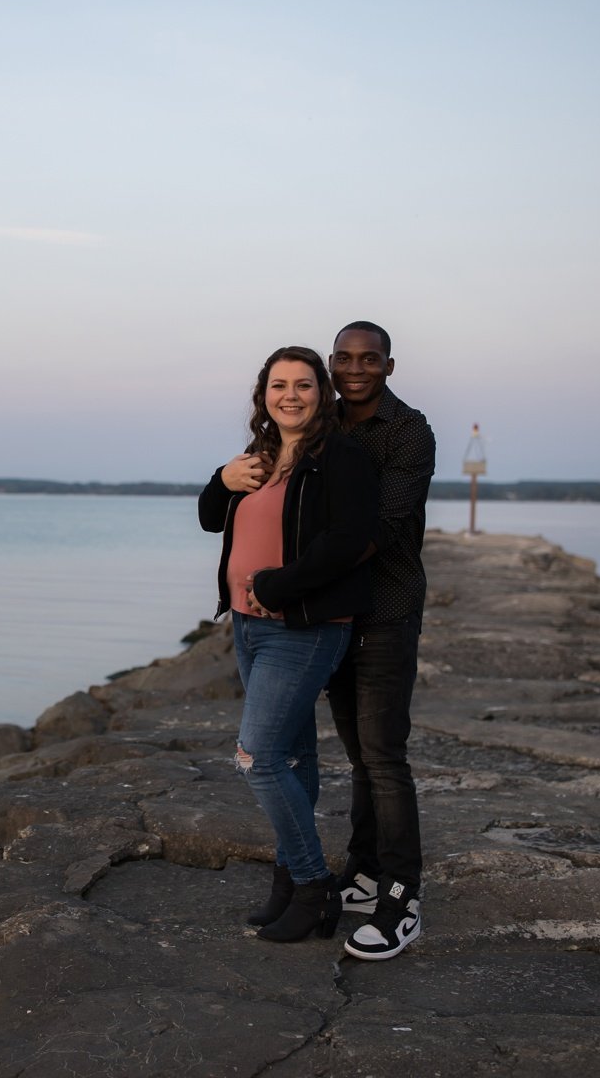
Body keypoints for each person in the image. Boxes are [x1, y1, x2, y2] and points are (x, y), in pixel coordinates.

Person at [199, 346, 378, 942]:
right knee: (294, 758)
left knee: (257, 756)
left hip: (303, 627)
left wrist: (279, 584)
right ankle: (287, 887)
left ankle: (314, 886)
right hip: (249, 626)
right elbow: (209, 518)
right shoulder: (261, 457)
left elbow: (350, 539)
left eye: (304, 384)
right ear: (264, 395)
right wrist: (221, 481)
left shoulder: (340, 456)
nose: (290, 395)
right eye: (279, 385)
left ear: (322, 393)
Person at [323, 321, 434, 960]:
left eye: (369, 358)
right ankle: (363, 875)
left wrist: (292, 580)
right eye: (345, 356)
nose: (356, 367)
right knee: (359, 757)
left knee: (385, 759)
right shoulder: (323, 422)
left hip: (386, 609)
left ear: (390, 365)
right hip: (333, 615)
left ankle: (402, 898)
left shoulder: (408, 431)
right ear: (332, 362)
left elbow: (383, 530)